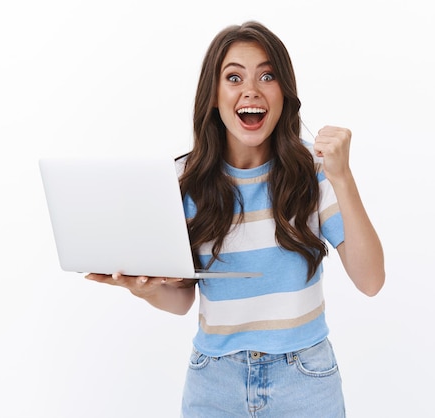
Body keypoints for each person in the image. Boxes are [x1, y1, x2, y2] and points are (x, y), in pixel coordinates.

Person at [86, 20, 384, 417]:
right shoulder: (183, 181)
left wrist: (343, 177)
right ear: (213, 95)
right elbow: (181, 300)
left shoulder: (315, 170)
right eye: (233, 77)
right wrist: (147, 290)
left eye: (267, 75)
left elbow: (371, 280)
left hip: (305, 379)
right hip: (214, 382)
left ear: (284, 93)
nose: (251, 90)